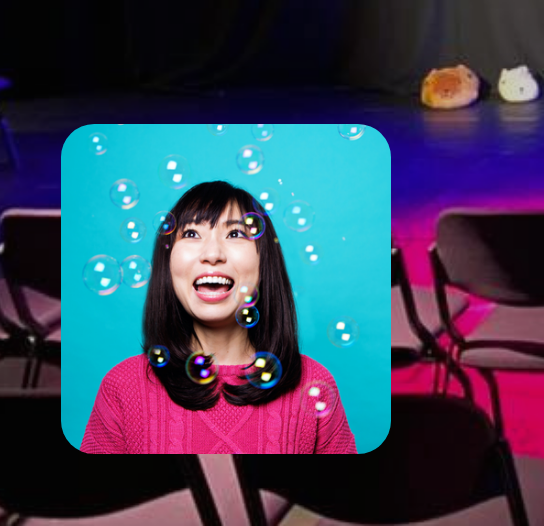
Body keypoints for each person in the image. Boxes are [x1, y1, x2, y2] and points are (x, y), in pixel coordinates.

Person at [81, 180, 355, 453]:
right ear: (168, 264)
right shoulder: (122, 387)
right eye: (191, 234)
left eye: (235, 234)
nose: (212, 254)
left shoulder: (314, 384)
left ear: (264, 262)